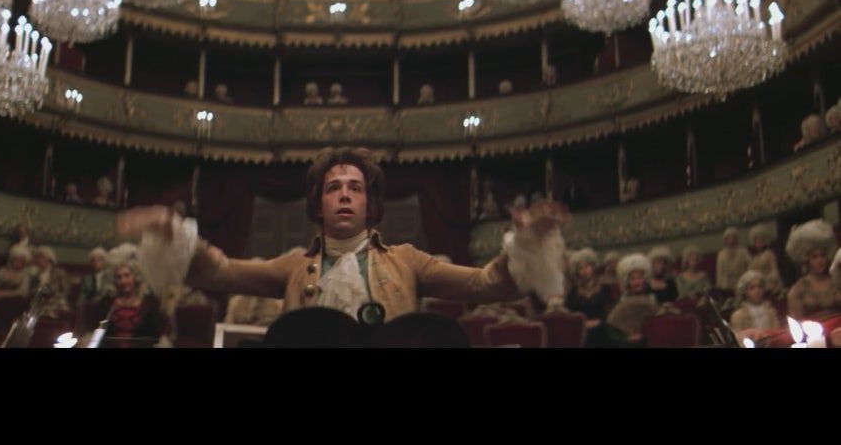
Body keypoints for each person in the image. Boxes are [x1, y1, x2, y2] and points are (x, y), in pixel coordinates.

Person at [118, 147, 568, 329]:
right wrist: (172, 233)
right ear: (319, 205)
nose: (345, 195)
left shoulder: (408, 260)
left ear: (370, 204)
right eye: (334, 188)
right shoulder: (293, 266)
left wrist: (528, 243)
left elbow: (485, 284)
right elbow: (218, 272)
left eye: (355, 188)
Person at [785, 219, 841, 320]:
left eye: (822, 256)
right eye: (814, 257)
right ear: (807, 260)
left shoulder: (837, 282)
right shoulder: (798, 289)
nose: (820, 261)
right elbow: (796, 321)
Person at [716, 227, 751, 293]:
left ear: (736, 239)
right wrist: (719, 287)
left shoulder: (743, 251)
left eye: (733, 237)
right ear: (725, 240)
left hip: (741, 282)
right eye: (729, 238)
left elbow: (750, 265)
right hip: (726, 284)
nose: (731, 240)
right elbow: (719, 272)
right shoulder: (721, 254)